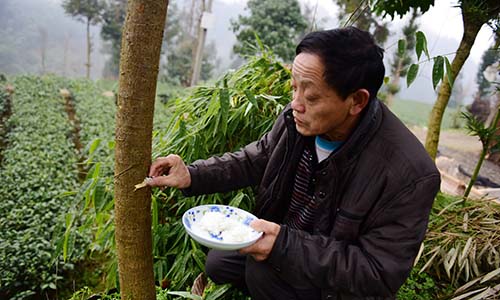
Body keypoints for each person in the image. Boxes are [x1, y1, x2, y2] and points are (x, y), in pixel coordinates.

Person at [147, 26, 441, 300]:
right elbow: (257, 157)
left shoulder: (410, 174)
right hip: (291, 244)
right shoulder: (298, 119)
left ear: (357, 101)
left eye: (310, 96)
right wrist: (192, 175)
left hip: (337, 283)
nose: (296, 104)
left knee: (262, 275)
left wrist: (284, 247)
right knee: (220, 262)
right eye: (294, 88)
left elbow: (377, 271)